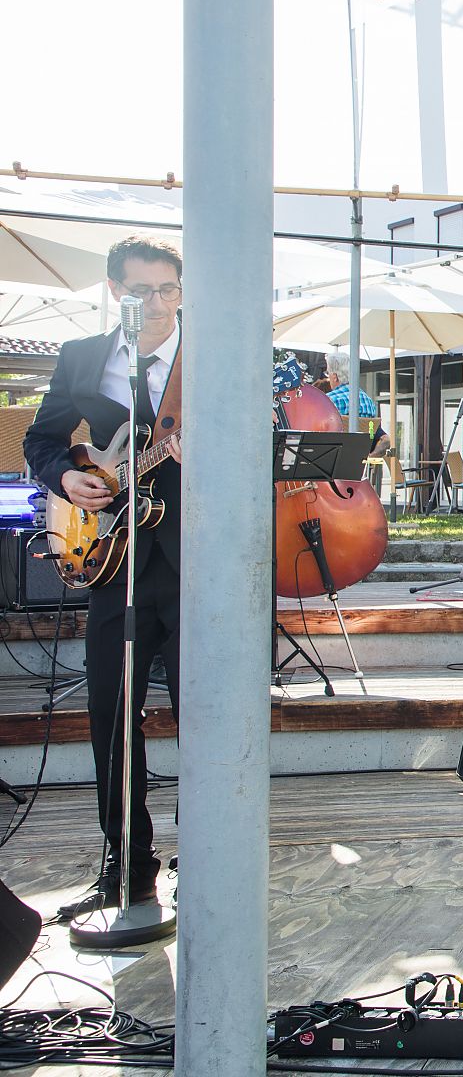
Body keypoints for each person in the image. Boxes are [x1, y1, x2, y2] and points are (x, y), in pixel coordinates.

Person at [25, 236, 184, 917]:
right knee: (110, 718)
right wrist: (68, 477)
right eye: (141, 291)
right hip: (114, 561)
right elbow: (42, 440)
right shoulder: (83, 356)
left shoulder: (215, 355)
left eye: (168, 289)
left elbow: (266, 444)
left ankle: (206, 856)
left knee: (206, 716)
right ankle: (126, 864)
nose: (157, 303)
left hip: (197, 562)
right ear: (116, 292)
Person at [323, 347, 390, 456]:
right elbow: (376, 435)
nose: (328, 377)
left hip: (334, 458)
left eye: (328, 373)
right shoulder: (368, 401)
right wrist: (369, 457)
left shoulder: (328, 401)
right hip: (359, 461)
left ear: (335, 377)